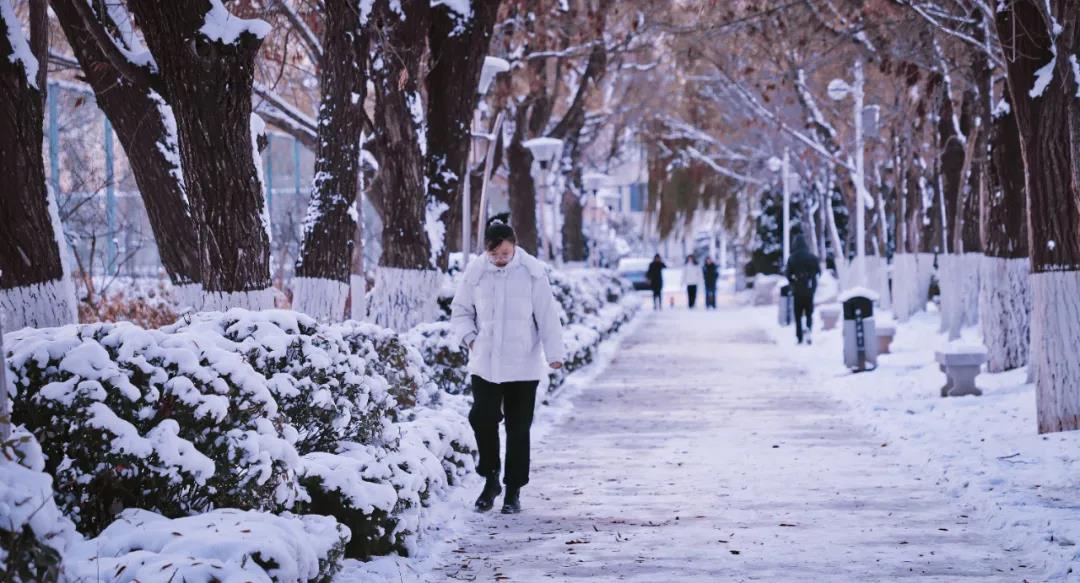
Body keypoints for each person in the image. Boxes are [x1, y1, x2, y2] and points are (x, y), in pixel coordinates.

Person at [450, 220, 565, 514]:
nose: (500, 259)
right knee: (482, 417)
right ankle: (490, 479)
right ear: (486, 250)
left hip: (523, 363)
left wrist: (554, 353)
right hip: (485, 362)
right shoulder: (476, 272)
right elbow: (460, 310)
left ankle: (513, 489)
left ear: (514, 246)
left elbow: (547, 315)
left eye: (505, 253)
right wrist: (470, 338)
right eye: (494, 254)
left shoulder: (532, 272)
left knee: (518, 427)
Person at [784, 234, 821, 344]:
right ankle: (808, 328)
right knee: (809, 312)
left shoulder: (792, 258)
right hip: (809, 289)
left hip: (797, 290)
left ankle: (799, 336)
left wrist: (793, 282)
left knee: (798, 314)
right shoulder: (812, 257)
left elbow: (788, 274)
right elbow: (819, 271)